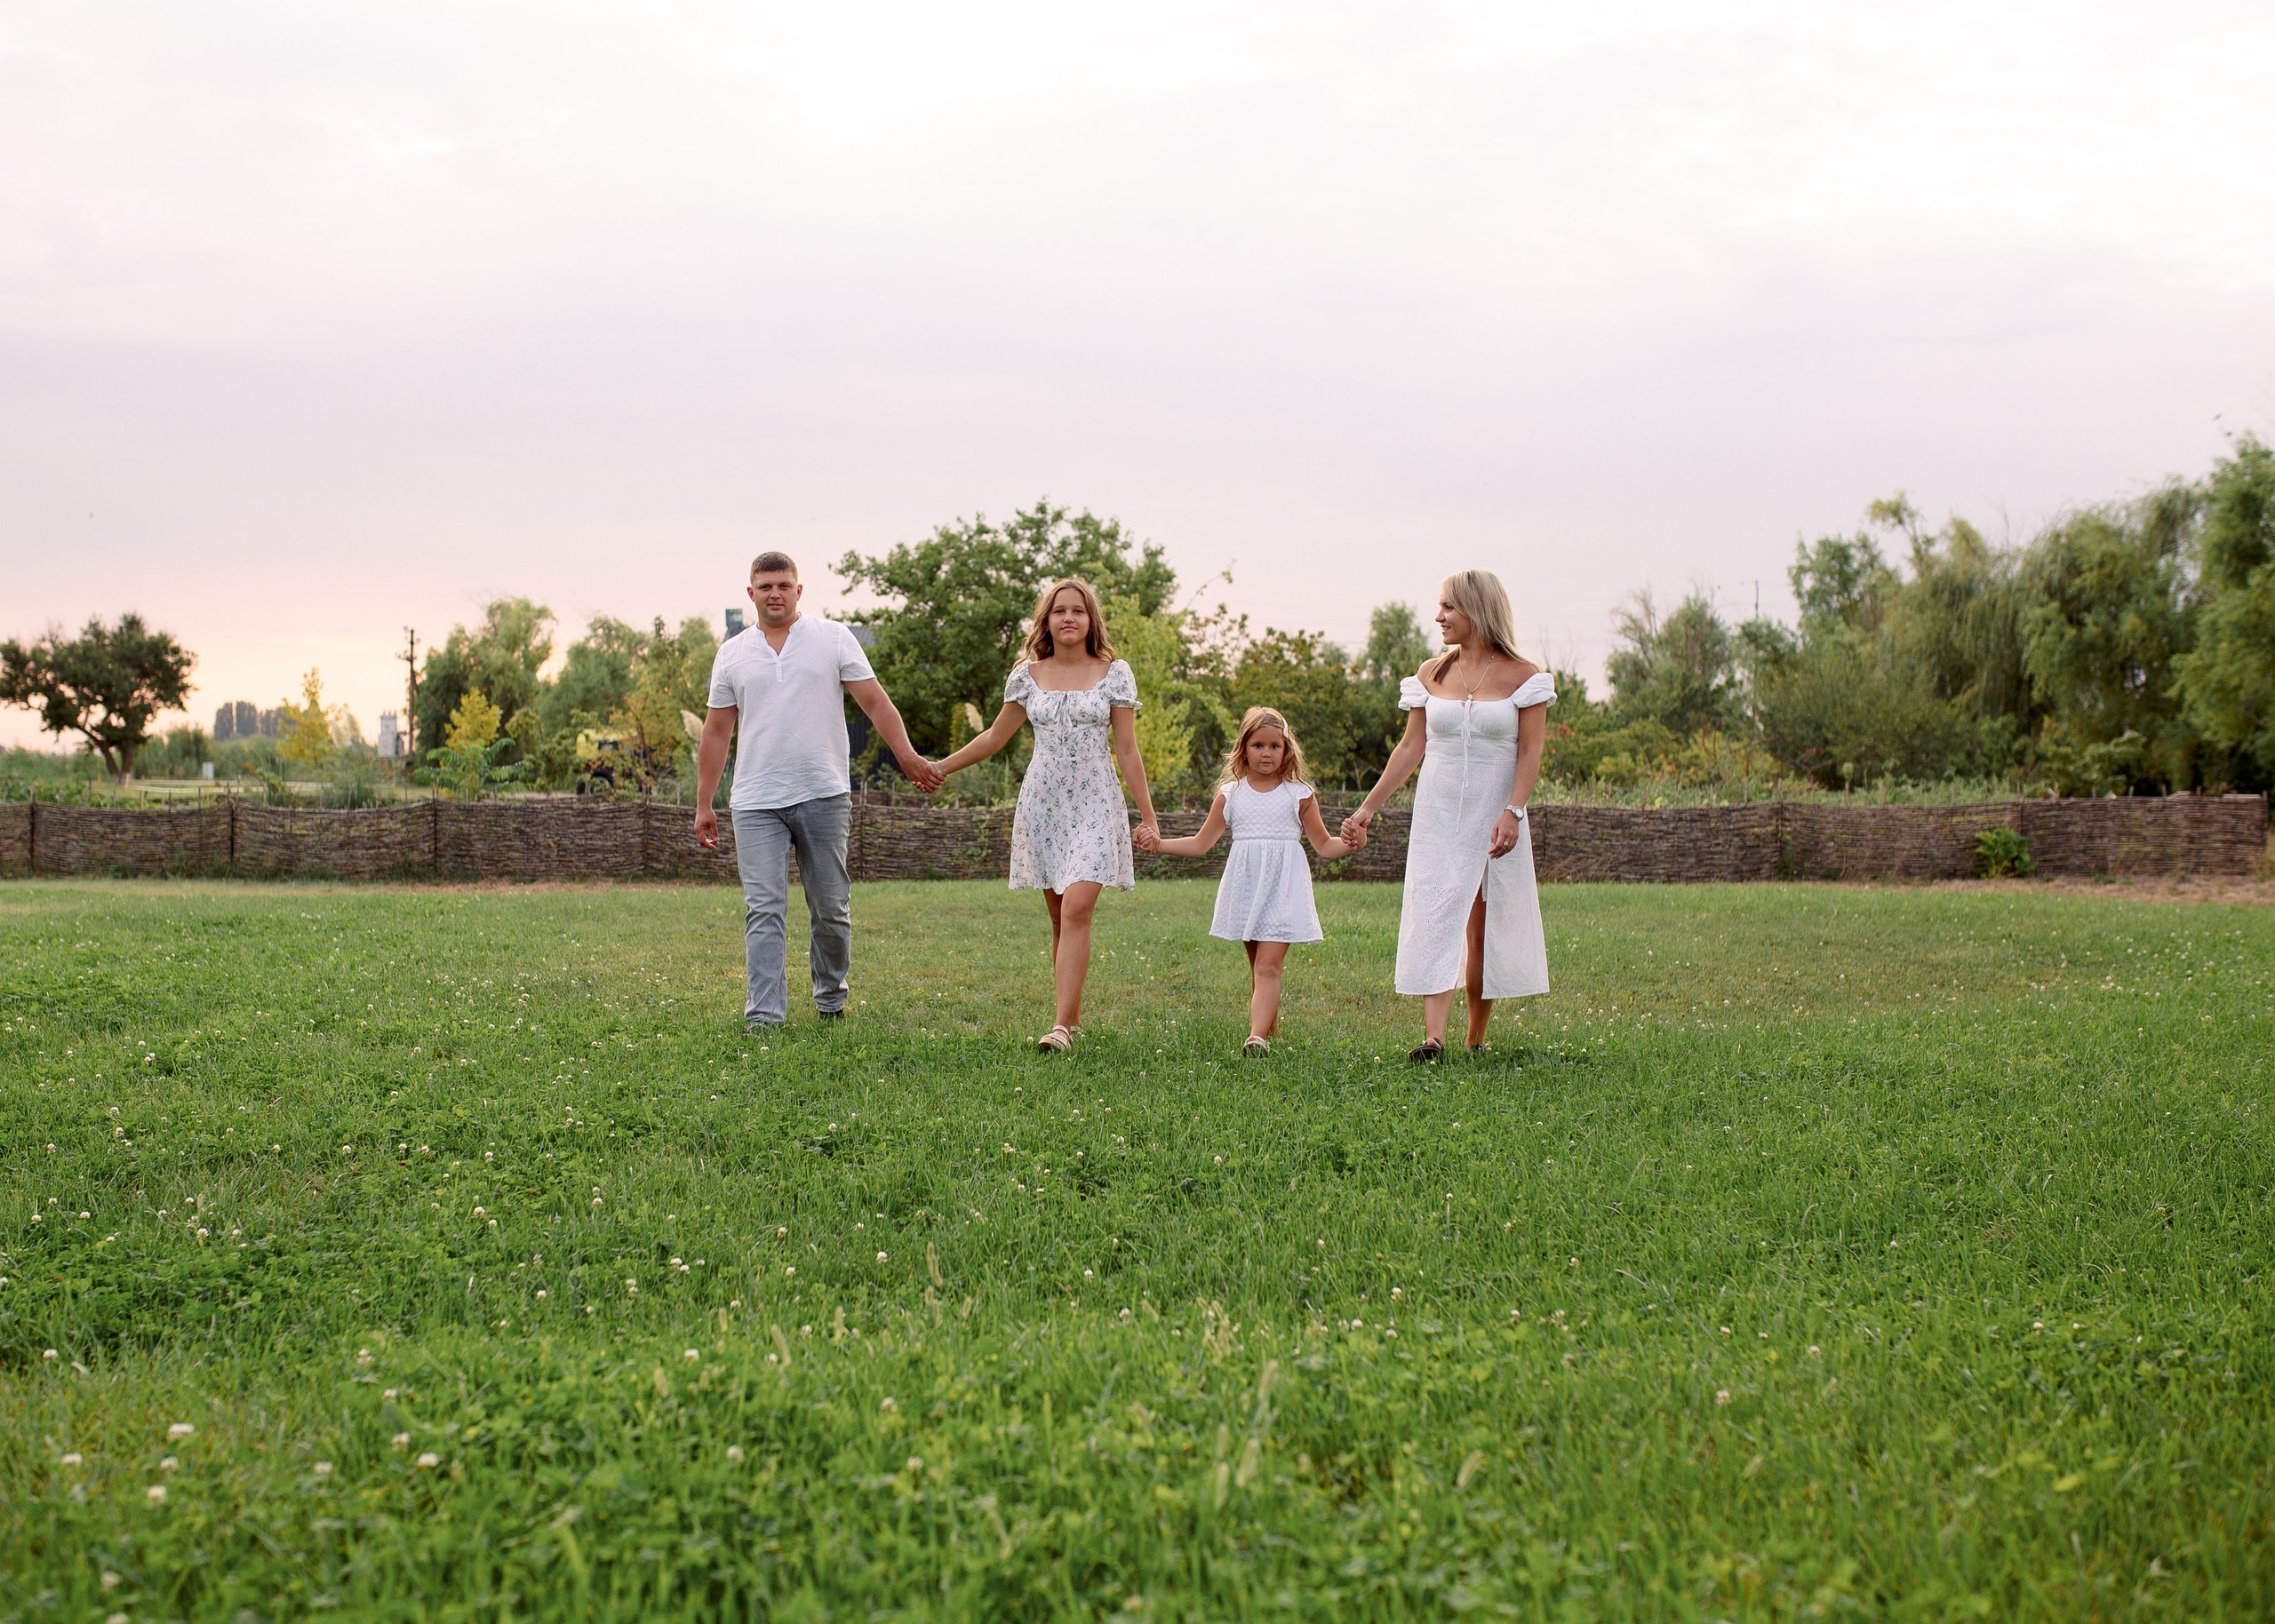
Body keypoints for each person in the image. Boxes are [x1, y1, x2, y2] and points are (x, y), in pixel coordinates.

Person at [693, 551, 941, 1031]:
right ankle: (765, 1018)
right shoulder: (733, 653)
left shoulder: (833, 639)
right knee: (764, 909)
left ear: (799, 590)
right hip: (755, 801)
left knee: (830, 907)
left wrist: (908, 755)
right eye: (765, 587)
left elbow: (874, 701)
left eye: (784, 585)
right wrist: (704, 802)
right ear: (751, 594)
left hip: (824, 793)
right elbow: (716, 731)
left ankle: (830, 997)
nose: (775, 594)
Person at [933, 577, 1160, 1052]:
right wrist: (941, 767)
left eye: (1078, 611)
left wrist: (1149, 817)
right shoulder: (1027, 675)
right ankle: (1070, 1020)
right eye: (1060, 611)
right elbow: (994, 738)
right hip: (1043, 802)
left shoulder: (1114, 673)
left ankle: (1059, 1028)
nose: (1069, 618)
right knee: (1060, 920)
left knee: (1078, 907)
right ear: (1047, 620)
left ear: (1091, 620)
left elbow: (1127, 748)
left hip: (1097, 801)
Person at [1341, 569, 1555, 1060]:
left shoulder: (1526, 676)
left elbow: (1530, 752)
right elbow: (1410, 746)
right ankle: (1433, 1037)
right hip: (1437, 812)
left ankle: (1475, 1038)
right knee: (1435, 914)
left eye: (1448, 608)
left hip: (1492, 812)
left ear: (1478, 610)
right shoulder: (1430, 673)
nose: (1439, 616)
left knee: (1481, 927)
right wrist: (1368, 808)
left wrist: (1513, 812)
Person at [1135, 706, 1366, 1055]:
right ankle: (1268, 1032)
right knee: (1258, 968)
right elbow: (1201, 843)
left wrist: (1352, 844)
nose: (1267, 753)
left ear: (1287, 749)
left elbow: (1324, 845)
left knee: (1268, 966)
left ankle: (1256, 1038)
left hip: (1283, 887)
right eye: (1258, 745)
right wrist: (1160, 845)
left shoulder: (1299, 794)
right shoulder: (1231, 794)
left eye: (1275, 746)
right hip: (1246, 888)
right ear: (1244, 748)